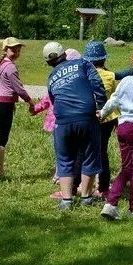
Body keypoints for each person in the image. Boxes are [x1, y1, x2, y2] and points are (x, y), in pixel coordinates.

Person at [43, 41, 107, 210]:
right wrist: (101, 107)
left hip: (62, 121)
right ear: (64, 54)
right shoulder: (82, 63)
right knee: (90, 155)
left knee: (64, 159)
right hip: (86, 117)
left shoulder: (51, 78)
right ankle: (86, 197)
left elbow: (53, 99)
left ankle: (66, 200)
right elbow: (97, 84)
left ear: (49, 63)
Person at [98, 49, 133, 220]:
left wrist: (102, 113)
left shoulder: (125, 80)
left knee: (127, 166)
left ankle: (112, 203)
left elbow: (114, 100)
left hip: (122, 127)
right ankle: (132, 207)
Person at [0, 37, 34, 180]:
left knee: (1, 138)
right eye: (12, 50)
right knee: (1, 139)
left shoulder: (2, 65)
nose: (16, 52)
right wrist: (30, 101)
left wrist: (5, 96)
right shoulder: (10, 67)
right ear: (5, 50)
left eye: (18, 50)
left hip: (1, 103)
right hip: (5, 105)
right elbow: (19, 88)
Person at [83, 40, 119, 198]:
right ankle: (103, 187)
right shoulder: (110, 75)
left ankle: (83, 185)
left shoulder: (83, 74)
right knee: (102, 151)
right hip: (108, 118)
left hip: (89, 117)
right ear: (104, 59)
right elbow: (113, 98)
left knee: (86, 152)